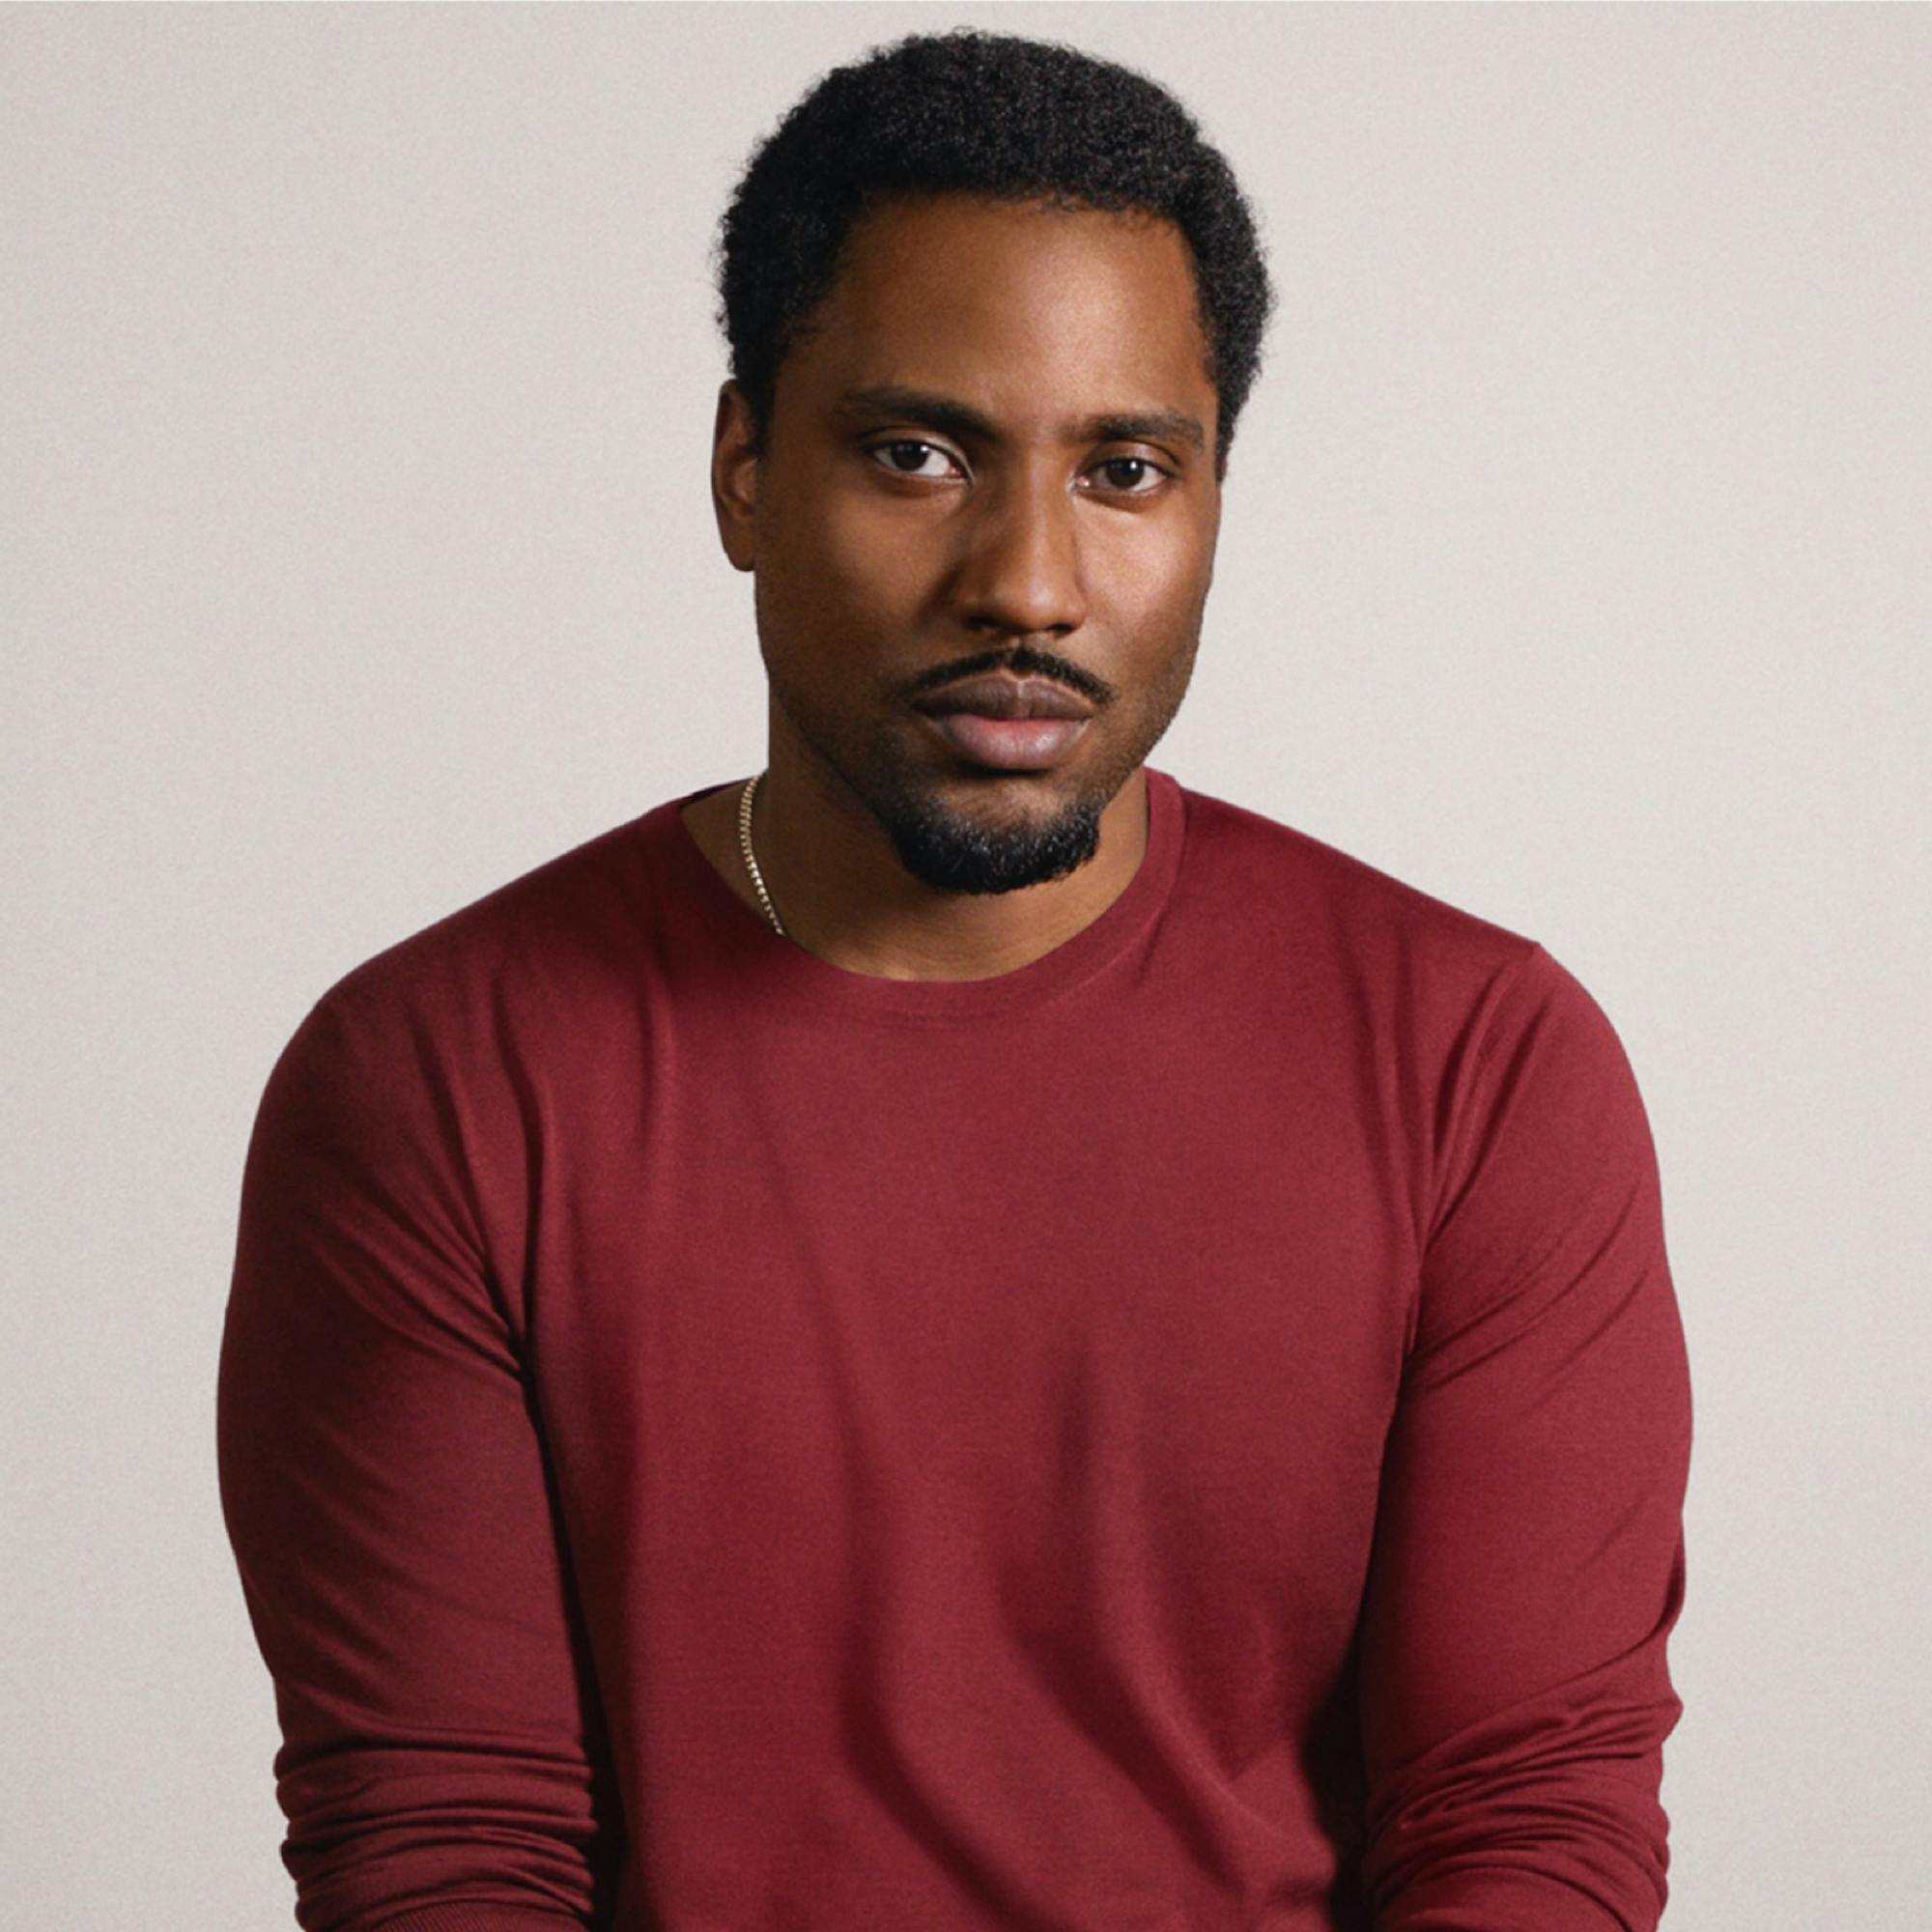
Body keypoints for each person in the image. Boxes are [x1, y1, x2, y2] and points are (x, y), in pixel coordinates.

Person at [217, 27, 1692, 1931]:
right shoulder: (433, 1084)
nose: (1027, 578)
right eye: (917, 454)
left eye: (1126, 469)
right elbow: (443, 1852)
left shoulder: (1477, 1069)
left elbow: (1525, 1825)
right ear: (745, 468)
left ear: (1213, 498)